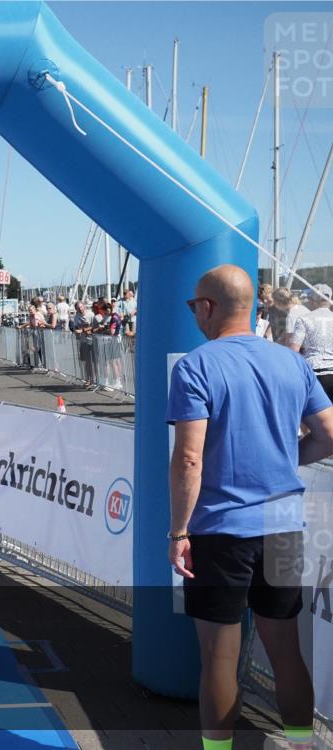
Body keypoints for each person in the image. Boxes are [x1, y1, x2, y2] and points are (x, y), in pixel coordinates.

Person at [165, 264, 333, 750]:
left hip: (221, 529)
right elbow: (327, 435)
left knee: (219, 657)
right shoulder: (291, 362)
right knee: (285, 650)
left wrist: (178, 533)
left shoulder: (197, 365)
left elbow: (190, 458)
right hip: (282, 522)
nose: (193, 312)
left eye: (194, 304)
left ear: (209, 307)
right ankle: (301, 743)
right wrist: (286, 460)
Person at [290, 283, 333, 401]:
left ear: (313, 300)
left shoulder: (304, 319)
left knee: (313, 417)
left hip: (313, 374)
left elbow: (294, 351)